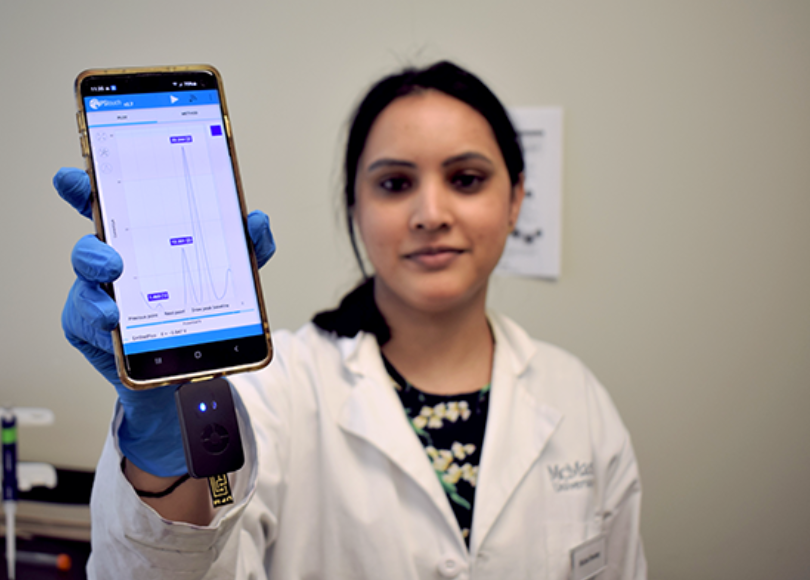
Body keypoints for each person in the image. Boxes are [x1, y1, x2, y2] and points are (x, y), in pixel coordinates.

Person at [55, 61, 646, 579]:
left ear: (516, 198)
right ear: (355, 207)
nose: (431, 214)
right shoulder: (273, 393)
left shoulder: (578, 400)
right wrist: (166, 452)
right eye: (395, 183)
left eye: (466, 180)